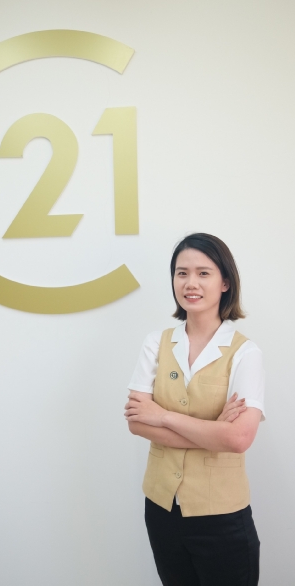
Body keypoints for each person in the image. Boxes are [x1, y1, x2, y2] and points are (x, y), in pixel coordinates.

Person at [124, 233, 265, 586]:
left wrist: (163, 416)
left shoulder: (245, 353)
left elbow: (238, 439)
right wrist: (213, 430)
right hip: (162, 510)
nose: (190, 283)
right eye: (181, 273)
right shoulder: (156, 343)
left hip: (222, 517)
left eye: (203, 273)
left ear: (225, 282)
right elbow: (136, 422)